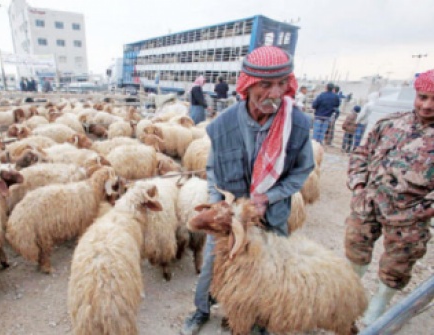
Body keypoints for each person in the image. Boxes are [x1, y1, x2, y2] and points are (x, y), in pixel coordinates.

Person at [181, 46, 315, 335]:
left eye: (282, 84)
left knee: (267, 269)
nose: (275, 93)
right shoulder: (223, 125)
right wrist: (219, 204)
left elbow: (302, 170)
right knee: (213, 265)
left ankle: (259, 319)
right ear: (248, 84)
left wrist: (270, 197)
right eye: (266, 85)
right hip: (230, 215)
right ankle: (202, 309)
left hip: (272, 214)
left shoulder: (298, 125)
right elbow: (214, 168)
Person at [344, 69, 434, 326]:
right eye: (423, 97)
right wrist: (359, 185)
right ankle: (350, 297)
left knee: (397, 265)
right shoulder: (389, 124)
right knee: (355, 250)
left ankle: (377, 309)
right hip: (368, 205)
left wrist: (425, 210)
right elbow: (361, 154)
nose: (427, 105)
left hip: (410, 215)